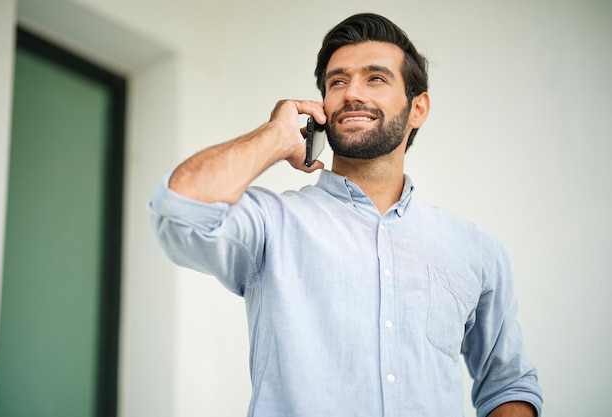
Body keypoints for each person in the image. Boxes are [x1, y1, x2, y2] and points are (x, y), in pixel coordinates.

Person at [148, 12, 543, 417]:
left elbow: (507, 384)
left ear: (418, 107)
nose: (352, 93)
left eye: (376, 78)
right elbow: (179, 210)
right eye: (338, 81)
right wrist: (274, 137)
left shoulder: (475, 250)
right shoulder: (273, 222)